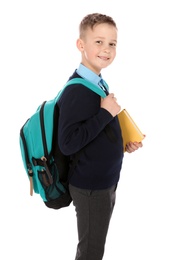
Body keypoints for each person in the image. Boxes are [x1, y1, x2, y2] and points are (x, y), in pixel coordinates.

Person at [57, 13, 143, 260]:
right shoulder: (77, 91)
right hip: (90, 187)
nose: (106, 49)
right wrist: (105, 112)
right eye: (98, 42)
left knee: (94, 247)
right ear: (80, 45)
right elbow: (68, 142)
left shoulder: (97, 84)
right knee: (91, 252)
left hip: (103, 182)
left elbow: (93, 133)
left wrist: (123, 144)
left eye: (112, 44)